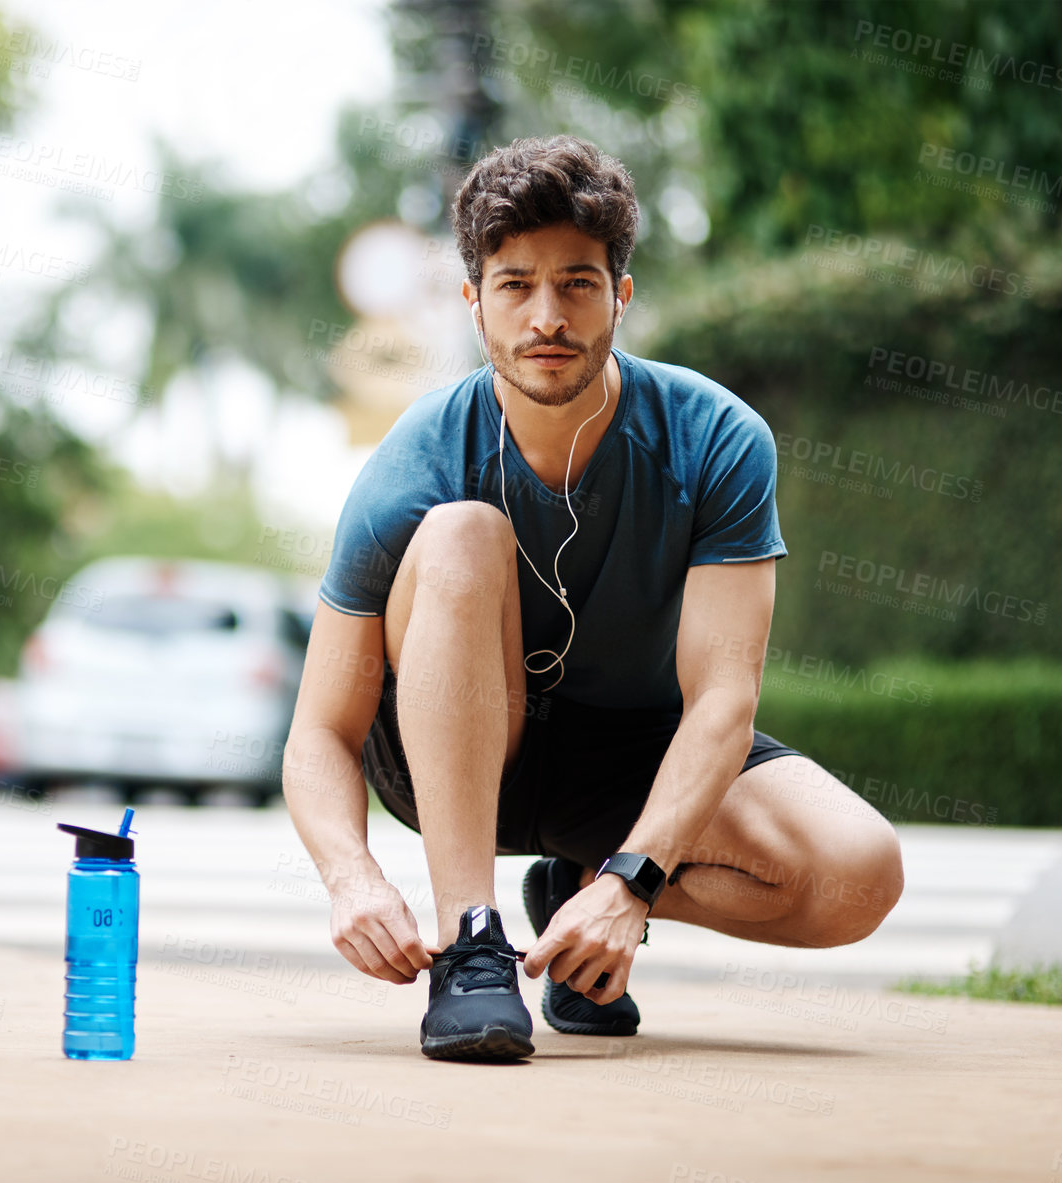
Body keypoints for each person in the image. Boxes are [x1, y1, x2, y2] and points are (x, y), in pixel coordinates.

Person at [280, 134, 904, 1062]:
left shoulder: (715, 438)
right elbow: (320, 729)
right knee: (462, 531)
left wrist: (631, 882)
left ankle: (576, 891)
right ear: (473, 301)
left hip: (629, 763)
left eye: (577, 282)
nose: (547, 316)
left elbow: (724, 699)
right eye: (515, 284)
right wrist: (351, 876)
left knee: (859, 872)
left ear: (620, 293)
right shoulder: (416, 454)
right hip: (449, 749)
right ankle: (473, 944)